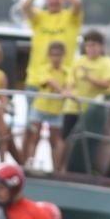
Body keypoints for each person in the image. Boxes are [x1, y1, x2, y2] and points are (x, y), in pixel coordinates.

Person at [21, 0, 84, 76]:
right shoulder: (39, 17)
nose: (53, 0)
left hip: (65, 79)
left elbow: (77, 2)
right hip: (37, 78)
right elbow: (25, 6)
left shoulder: (71, 18)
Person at [24, 40, 75, 172]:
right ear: (49, 56)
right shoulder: (43, 69)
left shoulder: (68, 71)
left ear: (64, 55)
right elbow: (50, 81)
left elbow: (70, 83)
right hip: (40, 108)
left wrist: (68, 91)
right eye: (53, 55)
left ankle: (55, 169)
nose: (56, 58)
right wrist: (63, 91)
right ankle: (30, 165)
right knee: (34, 137)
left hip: (56, 110)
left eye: (59, 55)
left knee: (55, 140)